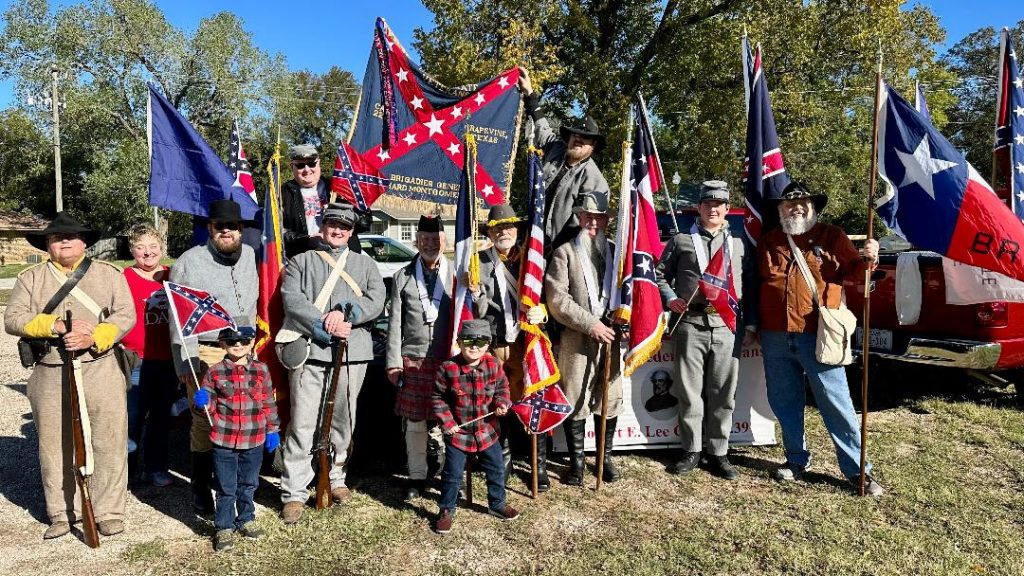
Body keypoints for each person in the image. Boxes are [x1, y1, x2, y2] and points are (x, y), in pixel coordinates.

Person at [746, 181, 883, 496]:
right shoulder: (769, 241)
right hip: (776, 335)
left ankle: (856, 471)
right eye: (789, 204)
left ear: (813, 207)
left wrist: (870, 259)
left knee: (836, 405)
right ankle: (795, 460)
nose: (796, 207)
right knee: (785, 402)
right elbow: (757, 286)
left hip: (818, 335)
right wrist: (753, 326)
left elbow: (855, 272)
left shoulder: (832, 236)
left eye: (802, 203)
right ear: (780, 210)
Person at [4, 212, 136, 539]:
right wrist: (55, 326)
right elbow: (13, 318)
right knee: (54, 445)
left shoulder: (108, 275)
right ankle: (62, 513)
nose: (64, 241)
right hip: (50, 369)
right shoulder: (31, 278)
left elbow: (126, 314)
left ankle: (108, 511)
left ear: (84, 242)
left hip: (100, 365)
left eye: (72, 236)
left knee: (109, 440)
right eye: (57, 237)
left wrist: (95, 336)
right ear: (48, 244)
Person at [278, 202, 385, 524]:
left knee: (343, 420)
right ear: (322, 227)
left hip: (352, 351)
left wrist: (346, 313)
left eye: (344, 227)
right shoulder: (300, 262)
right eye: (332, 225)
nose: (337, 231)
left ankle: (336, 478)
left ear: (351, 232)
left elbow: (376, 300)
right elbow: (292, 298)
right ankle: (294, 491)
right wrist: (324, 323)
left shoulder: (366, 266)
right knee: (303, 422)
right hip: (311, 347)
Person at [169, 199, 259, 516]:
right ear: (210, 228)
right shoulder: (188, 262)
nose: (226, 231)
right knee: (205, 421)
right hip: (206, 351)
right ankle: (201, 490)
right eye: (220, 226)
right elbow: (179, 319)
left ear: (240, 229)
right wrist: (186, 361)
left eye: (232, 226)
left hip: (245, 351)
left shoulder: (249, 255)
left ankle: (235, 488)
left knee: (241, 417)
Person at [654, 180, 744, 480]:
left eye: (719, 205)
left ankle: (718, 452)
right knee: (689, 391)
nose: (713, 209)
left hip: (726, 325)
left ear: (727, 209)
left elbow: (748, 282)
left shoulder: (737, 244)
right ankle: (691, 449)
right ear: (700, 207)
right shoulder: (681, 240)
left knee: (723, 392)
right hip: (690, 324)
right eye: (708, 204)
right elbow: (659, 275)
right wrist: (671, 298)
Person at [544, 193, 623, 485]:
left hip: (611, 336)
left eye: (598, 216)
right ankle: (577, 463)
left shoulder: (617, 252)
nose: (593, 222)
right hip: (577, 337)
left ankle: (605, 457)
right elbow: (557, 300)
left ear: (607, 220)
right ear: (579, 218)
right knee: (576, 396)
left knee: (610, 397)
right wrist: (590, 324)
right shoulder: (564, 253)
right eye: (587, 216)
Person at [474, 203, 550, 489]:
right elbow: (475, 311)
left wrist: (543, 311)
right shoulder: (478, 263)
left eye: (508, 227)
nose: (503, 232)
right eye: (497, 228)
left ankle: (537, 464)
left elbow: (551, 294)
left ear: (517, 230)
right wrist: (475, 295)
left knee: (534, 401)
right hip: (495, 343)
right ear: (490, 233)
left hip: (526, 341)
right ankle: (502, 460)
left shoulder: (532, 260)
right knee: (498, 403)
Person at [193, 326, 280, 552]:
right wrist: (203, 402)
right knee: (225, 486)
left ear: (251, 342)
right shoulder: (214, 372)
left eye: (242, 340)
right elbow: (210, 409)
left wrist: (273, 429)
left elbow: (267, 403)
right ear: (222, 344)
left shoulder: (261, 370)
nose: (238, 345)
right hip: (224, 438)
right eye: (231, 341)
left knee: (249, 483)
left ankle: (246, 519)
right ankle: (223, 526)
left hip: (254, 438)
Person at [431, 319, 520, 535]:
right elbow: (438, 398)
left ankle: (497, 504)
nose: (474, 346)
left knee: (496, 469)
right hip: (459, 433)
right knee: (452, 473)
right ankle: (446, 509)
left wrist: (502, 404)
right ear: (459, 342)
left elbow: (503, 390)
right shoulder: (448, 368)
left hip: (487, 431)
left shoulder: (493, 366)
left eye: (480, 341)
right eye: (468, 340)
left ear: (488, 344)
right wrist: (448, 423)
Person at [386, 215, 452, 501]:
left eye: (435, 239)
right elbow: (395, 324)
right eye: (424, 239)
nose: (429, 244)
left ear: (444, 240)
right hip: (413, 357)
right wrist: (393, 362)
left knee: (448, 421)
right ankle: (416, 476)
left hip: (448, 358)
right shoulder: (403, 276)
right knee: (415, 423)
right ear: (416, 241)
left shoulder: (457, 273)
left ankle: (449, 475)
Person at [518, 69, 610, 251]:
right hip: (532, 239)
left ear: (593, 146)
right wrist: (530, 94)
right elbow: (541, 126)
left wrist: (555, 248)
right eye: (575, 134)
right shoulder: (556, 149)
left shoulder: (595, 180)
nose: (578, 139)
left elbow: (583, 221)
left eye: (585, 138)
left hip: (565, 250)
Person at [122, 223, 176, 488]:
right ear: (132, 249)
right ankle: (128, 471)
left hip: (167, 359)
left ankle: (155, 468)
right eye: (141, 247)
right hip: (134, 359)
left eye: (153, 246)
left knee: (160, 417)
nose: (147, 252)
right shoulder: (123, 278)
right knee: (132, 417)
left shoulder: (173, 275)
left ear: (162, 248)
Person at [281, 143, 368, 257]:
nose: (307, 170)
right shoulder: (282, 193)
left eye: (312, 164)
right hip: (304, 257)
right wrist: (306, 240)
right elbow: (276, 232)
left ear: (319, 163)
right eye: (300, 165)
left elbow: (365, 224)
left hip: (342, 256)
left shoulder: (340, 187)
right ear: (292, 166)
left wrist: (346, 218)